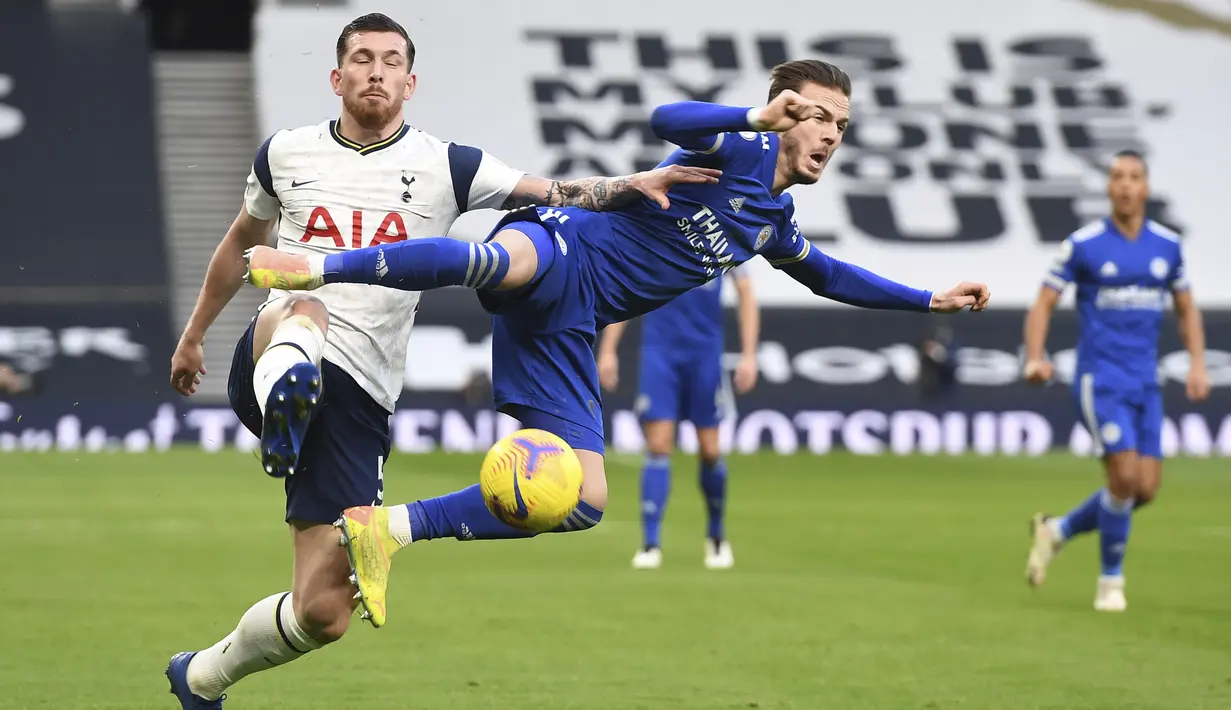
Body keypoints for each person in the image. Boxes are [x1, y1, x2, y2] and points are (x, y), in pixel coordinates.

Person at [242, 59, 991, 630]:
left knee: (584, 500)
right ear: (784, 115)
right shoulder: (737, 151)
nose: (829, 132)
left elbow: (829, 275)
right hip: (564, 247)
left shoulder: (772, 222)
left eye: (840, 123)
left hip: (570, 325)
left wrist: (927, 298)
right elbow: (668, 115)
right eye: (816, 115)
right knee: (502, 261)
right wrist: (753, 115)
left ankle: (387, 529)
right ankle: (314, 265)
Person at [162, 12, 720, 709]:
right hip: (277, 346)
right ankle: (286, 399)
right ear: (336, 77)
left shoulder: (446, 165)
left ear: (409, 81)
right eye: (361, 58)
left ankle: (203, 676)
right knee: (305, 304)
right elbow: (240, 244)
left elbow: (555, 193)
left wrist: (630, 182)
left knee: (322, 612)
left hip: (359, 398)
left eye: (390, 60)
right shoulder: (285, 153)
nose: (375, 70)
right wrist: (194, 335)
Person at [1021, 149, 1209, 612]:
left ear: (1146, 187)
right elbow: (1044, 302)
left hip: (1145, 382)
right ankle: (1110, 583)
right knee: (1123, 477)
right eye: (1117, 177)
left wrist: (1198, 363)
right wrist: (1035, 356)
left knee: (1144, 489)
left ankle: (1058, 530)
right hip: (1100, 379)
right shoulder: (1083, 244)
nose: (1125, 185)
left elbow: (1186, 307)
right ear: (1109, 187)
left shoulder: (1167, 246)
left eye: (1134, 177)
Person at [595, 264, 759, 570]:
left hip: (705, 355)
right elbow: (630, 288)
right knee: (658, 445)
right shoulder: (656, 234)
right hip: (660, 353)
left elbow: (746, 290)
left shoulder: (720, 234)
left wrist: (749, 355)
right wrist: (608, 350)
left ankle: (716, 535)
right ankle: (650, 543)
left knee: (710, 450)